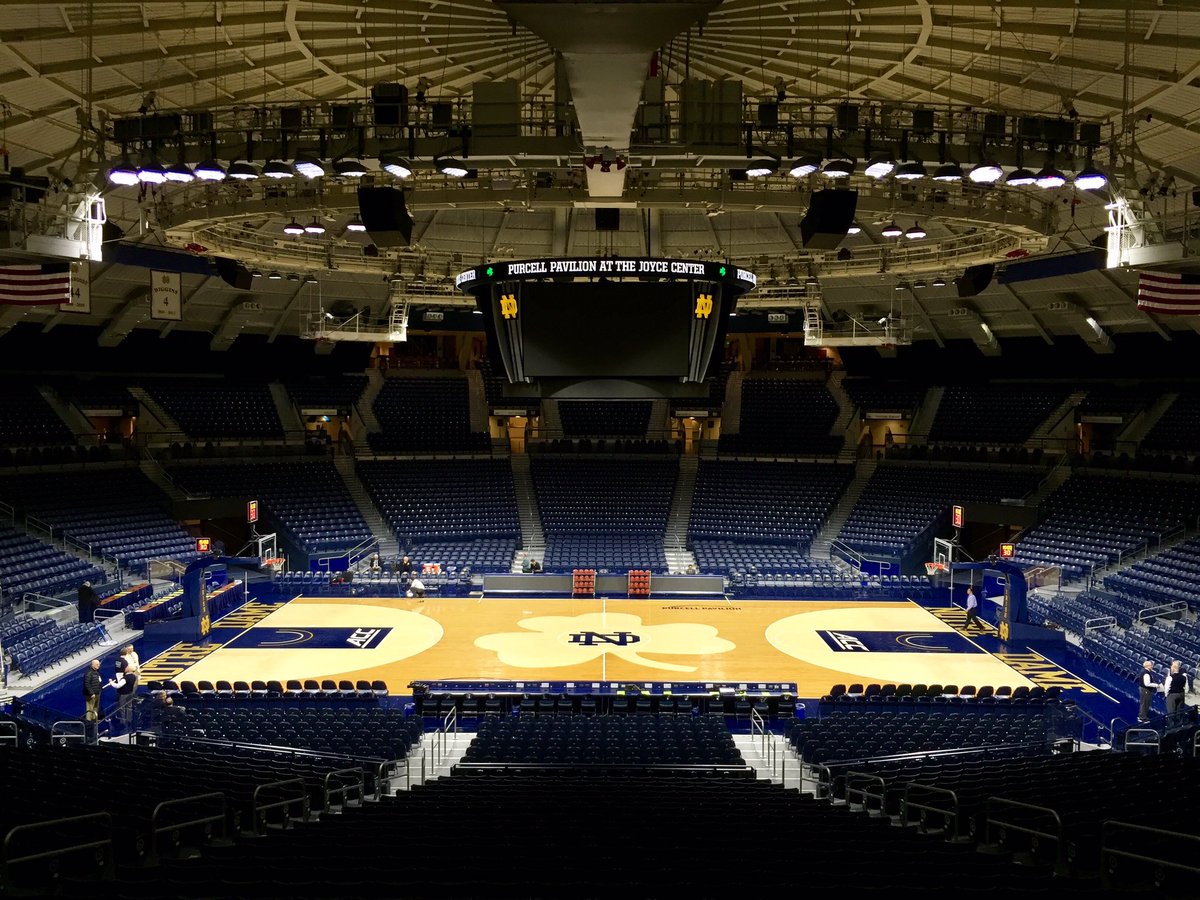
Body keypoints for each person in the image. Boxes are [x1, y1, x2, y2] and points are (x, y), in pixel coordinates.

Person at [82, 659, 102, 743]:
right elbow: (87, 684)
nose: (98, 665)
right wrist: (91, 693)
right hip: (91, 694)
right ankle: (88, 722)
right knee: (90, 708)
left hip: (97, 693)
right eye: (97, 664)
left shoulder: (96, 672)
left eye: (99, 664)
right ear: (92, 665)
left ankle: (94, 720)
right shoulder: (88, 673)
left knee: (95, 707)